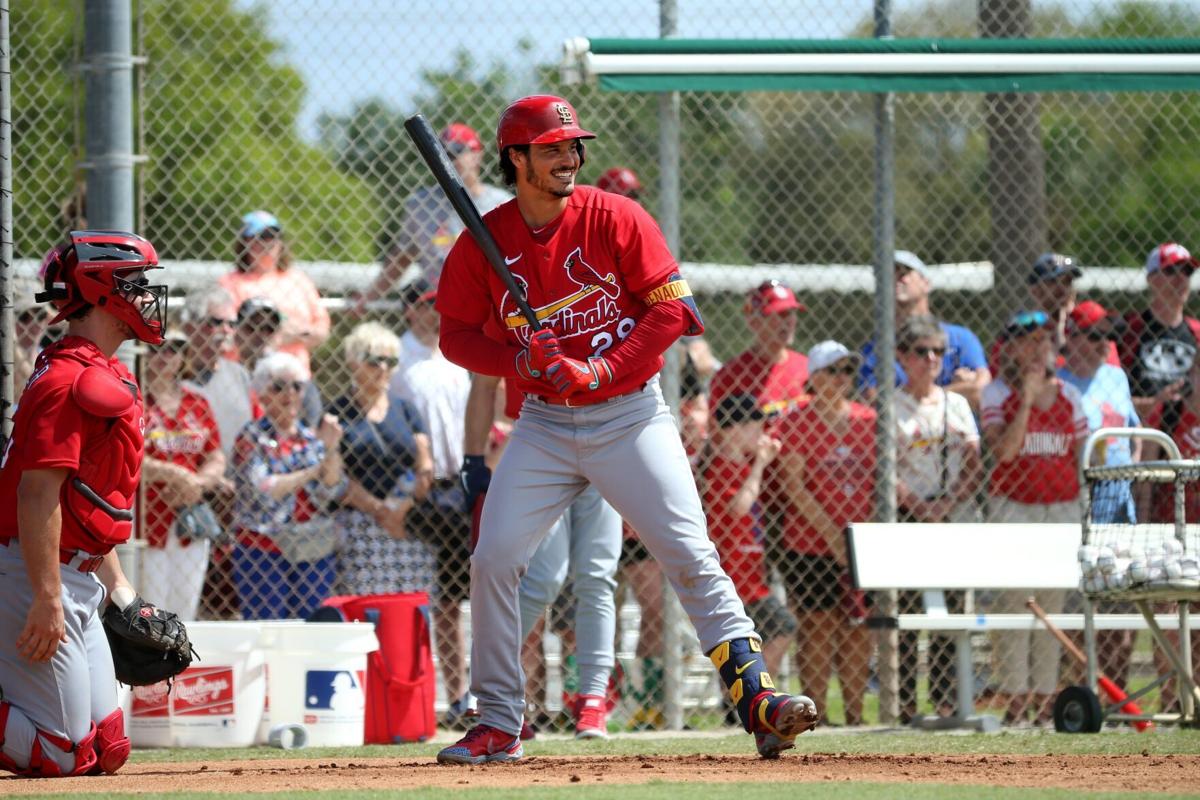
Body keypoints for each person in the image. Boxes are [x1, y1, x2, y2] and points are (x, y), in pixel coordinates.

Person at [432, 94, 817, 765]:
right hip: (544, 425)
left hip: (630, 412)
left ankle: (756, 697)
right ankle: (497, 718)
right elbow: (456, 338)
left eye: (573, 146)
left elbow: (672, 314)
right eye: (551, 148)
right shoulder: (482, 243)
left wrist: (598, 367)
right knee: (494, 558)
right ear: (515, 158)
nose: (569, 157)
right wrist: (520, 358)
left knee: (688, 552)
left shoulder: (616, 216)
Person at [0, 231, 167, 777]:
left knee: (108, 748)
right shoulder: (70, 380)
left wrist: (120, 593)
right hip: (31, 571)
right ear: (101, 293)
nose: (146, 298)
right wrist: (46, 596)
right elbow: (37, 494)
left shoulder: (104, 370)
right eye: (134, 286)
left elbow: (85, 505)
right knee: (62, 753)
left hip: (77, 574)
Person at [462, 374, 621, 740]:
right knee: (544, 577)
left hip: (606, 429)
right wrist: (473, 459)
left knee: (596, 576)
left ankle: (593, 699)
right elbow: (485, 381)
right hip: (542, 439)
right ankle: (496, 695)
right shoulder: (517, 315)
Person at [981, 310, 1087, 726]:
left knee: (1051, 608)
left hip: (1060, 507)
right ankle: (1015, 701)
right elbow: (1005, 452)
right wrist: (1025, 398)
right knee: (1015, 605)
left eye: (1043, 340)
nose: (1036, 348)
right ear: (1010, 347)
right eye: (1026, 340)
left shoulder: (1069, 396)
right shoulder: (996, 394)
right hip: (1014, 507)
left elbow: (1079, 459)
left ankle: (1045, 700)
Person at [387, 284, 474, 729]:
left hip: (456, 484)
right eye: (423, 305)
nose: (432, 313)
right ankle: (422, 693)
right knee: (425, 596)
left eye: (436, 304)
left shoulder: (453, 354)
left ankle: (460, 695)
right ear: (408, 309)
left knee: (454, 598)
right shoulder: (399, 357)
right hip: (416, 488)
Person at [776, 341, 874, 727]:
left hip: (860, 541)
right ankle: (813, 717)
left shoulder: (867, 418)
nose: (842, 378)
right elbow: (794, 485)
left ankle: (854, 716)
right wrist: (834, 538)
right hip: (811, 542)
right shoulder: (797, 420)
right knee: (818, 626)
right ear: (815, 377)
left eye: (848, 370)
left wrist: (851, 542)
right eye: (833, 371)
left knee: (858, 629)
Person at [893, 316, 983, 721]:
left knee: (951, 606)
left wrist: (950, 503)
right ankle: (908, 701)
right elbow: (886, 469)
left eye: (938, 352)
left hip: (951, 510)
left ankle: (947, 700)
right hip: (910, 513)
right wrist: (919, 506)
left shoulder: (956, 404)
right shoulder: (892, 405)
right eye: (920, 352)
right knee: (910, 607)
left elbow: (974, 462)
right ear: (902, 357)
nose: (930, 360)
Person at [1057, 301, 1141, 691]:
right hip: (1080, 495)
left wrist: (1131, 472)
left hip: (1119, 494)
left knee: (1121, 598)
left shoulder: (1116, 377)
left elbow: (1133, 432)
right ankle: (1080, 690)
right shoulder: (1058, 382)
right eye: (1093, 334)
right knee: (1077, 601)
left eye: (1106, 335)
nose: (1102, 343)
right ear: (1071, 338)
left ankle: (1117, 695)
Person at [230, 353, 347, 620]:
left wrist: (331, 448)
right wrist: (313, 471)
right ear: (262, 393)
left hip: (310, 548)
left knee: (310, 629)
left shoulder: (309, 437)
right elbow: (265, 487)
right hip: (264, 549)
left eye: (297, 386)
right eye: (279, 386)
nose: (290, 394)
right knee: (268, 632)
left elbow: (331, 487)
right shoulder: (252, 436)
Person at [326, 323, 435, 597]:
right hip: (359, 527)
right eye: (375, 361)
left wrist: (400, 510)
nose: (384, 369)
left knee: (410, 606)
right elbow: (334, 476)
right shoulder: (336, 413)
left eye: (391, 361)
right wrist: (379, 510)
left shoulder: (406, 409)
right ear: (353, 363)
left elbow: (424, 467)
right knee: (367, 608)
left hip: (407, 523)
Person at [358, 123, 511, 307]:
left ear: (477, 155)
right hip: (440, 305)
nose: (448, 160)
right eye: (442, 154)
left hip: (492, 301)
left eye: (456, 153)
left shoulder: (502, 203)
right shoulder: (420, 204)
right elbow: (403, 257)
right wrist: (368, 298)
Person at [699, 394, 798, 677]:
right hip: (736, 576)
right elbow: (739, 508)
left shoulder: (739, 466)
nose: (761, 434)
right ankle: (757, 691)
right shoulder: (722, 468)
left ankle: (742, 700)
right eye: (756, 427)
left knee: (744, 641)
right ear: (735, 429)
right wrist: (759, 466)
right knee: (782, 627)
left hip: (751, 574)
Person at [140, 330, 229, 622]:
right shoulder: (135, 399)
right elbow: (131, 458)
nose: (165, 356)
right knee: (150, 609)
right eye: (157, 348)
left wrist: (198, 483)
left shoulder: (197, 402)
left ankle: (178, 667)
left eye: (174, 349)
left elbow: (216, 456)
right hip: (147, 522)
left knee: (185, 610)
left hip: (189, 519)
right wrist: (177, 475)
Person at [859, 250, 990, 410]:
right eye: (886, 275)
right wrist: (951, 394)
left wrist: (910, 400)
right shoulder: (876, 349)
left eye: (903, 273)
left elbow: (980, 388)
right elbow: (875, 403)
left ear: (926, 283)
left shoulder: (960, 338)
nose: (894, 280)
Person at [219, 211, 330, 378]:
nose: (266, 243)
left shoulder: (298, 280)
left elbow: (321, 331)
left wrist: (272, 336)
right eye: (259, 237)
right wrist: (281, 335)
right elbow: (226, 336)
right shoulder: (230, 283)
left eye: (272, 236)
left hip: (295, 376)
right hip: (246, 374)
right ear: (245, 242)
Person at [1118, 242, 1200, 422]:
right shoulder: (1129, 328)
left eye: (1187, 271)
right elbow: (1108, 399)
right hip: (1141, 432)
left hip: (1188, 434)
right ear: (1151, 279)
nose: (1180, 279)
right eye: (1171, 271)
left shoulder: (1197, 332)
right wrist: (1154, 403)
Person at [179, 287, 256, 461]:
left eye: (232, 324)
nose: (227, 330)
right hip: (191, 481)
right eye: (216, 323)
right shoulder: (173, 376)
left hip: (238, 479)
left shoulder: (239, 374)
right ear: (190, 327)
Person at [236, 296, 323, 429]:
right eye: (252, 327)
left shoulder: (295, 375)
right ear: (236, 330)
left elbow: (312, 428)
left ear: (278, 333)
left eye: (269, 328)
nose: (261, 334)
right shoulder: (226, 373)